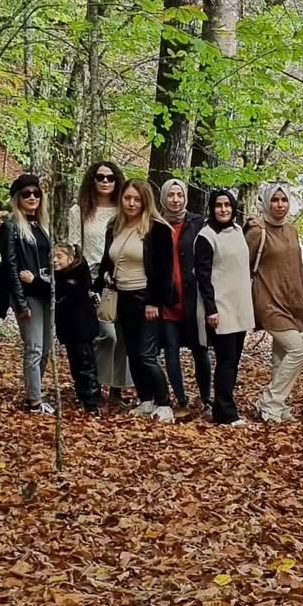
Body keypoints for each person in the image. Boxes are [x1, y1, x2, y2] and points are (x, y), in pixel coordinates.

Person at [245, 183, 303, 424]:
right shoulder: (257, 231)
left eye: (284, 200)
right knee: (298, 350)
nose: (280, 205)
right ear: (266, 202)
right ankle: (269, 402)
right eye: (275, 200)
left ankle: (279, 408)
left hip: (290, 300)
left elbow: (298, 269)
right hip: (268, 301)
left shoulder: (291, 230)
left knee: (281, 356)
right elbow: (242, 266)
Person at [96, 178, 175, 423]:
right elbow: (107, 260)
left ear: (145, 201)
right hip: (121, 297)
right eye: (127, 198)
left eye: (137, 199)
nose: (131, 203)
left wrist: (154, 302)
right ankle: (146, 399)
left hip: (145, 297)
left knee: (145, 354)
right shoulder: (115, 226)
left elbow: (164, 271)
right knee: (132, 352)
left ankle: (164, 403)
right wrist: (105, 276)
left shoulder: (157, 229)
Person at [69, 161, 132, 406]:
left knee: (122, 335)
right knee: (104, 335)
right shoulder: (80, 210)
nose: (105, 181)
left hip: (120, 277)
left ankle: (116, 390)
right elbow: (74, 246)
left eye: (110, 177)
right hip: (91, 279)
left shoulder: (123, 210)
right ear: (92, 180)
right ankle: (91, 384)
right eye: (100, 177)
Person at [194, 188, 254, 427]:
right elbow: (203, 276)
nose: (223, 209)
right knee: (226, 360)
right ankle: (226, 413)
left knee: (233, 360)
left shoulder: (238, 230)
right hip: (221, 307)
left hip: (240, 306)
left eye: (227, 205)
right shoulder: (206, 236)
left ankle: (223, 406)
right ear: (212, 208)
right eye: (219, 205)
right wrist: (211, 309)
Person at [0, 174, 54, 414]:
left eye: (36, 193)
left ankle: (35, 390)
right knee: (34, 347)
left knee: (46, 347)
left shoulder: (42, 226)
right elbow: (10, 266)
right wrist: (20, 303)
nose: (32, 197)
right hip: (28, 295)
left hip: (45, 292)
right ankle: (34, 401)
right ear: (17, 198)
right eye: (26, 194)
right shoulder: (10, 227)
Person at [158, 178, 211, 415]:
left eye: (179, 195)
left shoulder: (198, 223)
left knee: (200, 349)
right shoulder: (156, 224)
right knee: (171, 351)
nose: (175, 200)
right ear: (164, 198)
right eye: (171, 195)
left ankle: (206, 397)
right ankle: (181, 399)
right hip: (167, 299)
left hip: (193, 298)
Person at [52, 242, 103, 413]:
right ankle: (83, 396)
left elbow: (62, 290)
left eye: (59, 257)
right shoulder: (61, 276)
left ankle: (92, 401)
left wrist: (34, 281)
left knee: (85, 364)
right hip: (70, 331)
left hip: (81, 330)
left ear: (70, 258)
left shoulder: (78, 275)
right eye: (52, 257)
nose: (54, 260)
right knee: (77, 365)